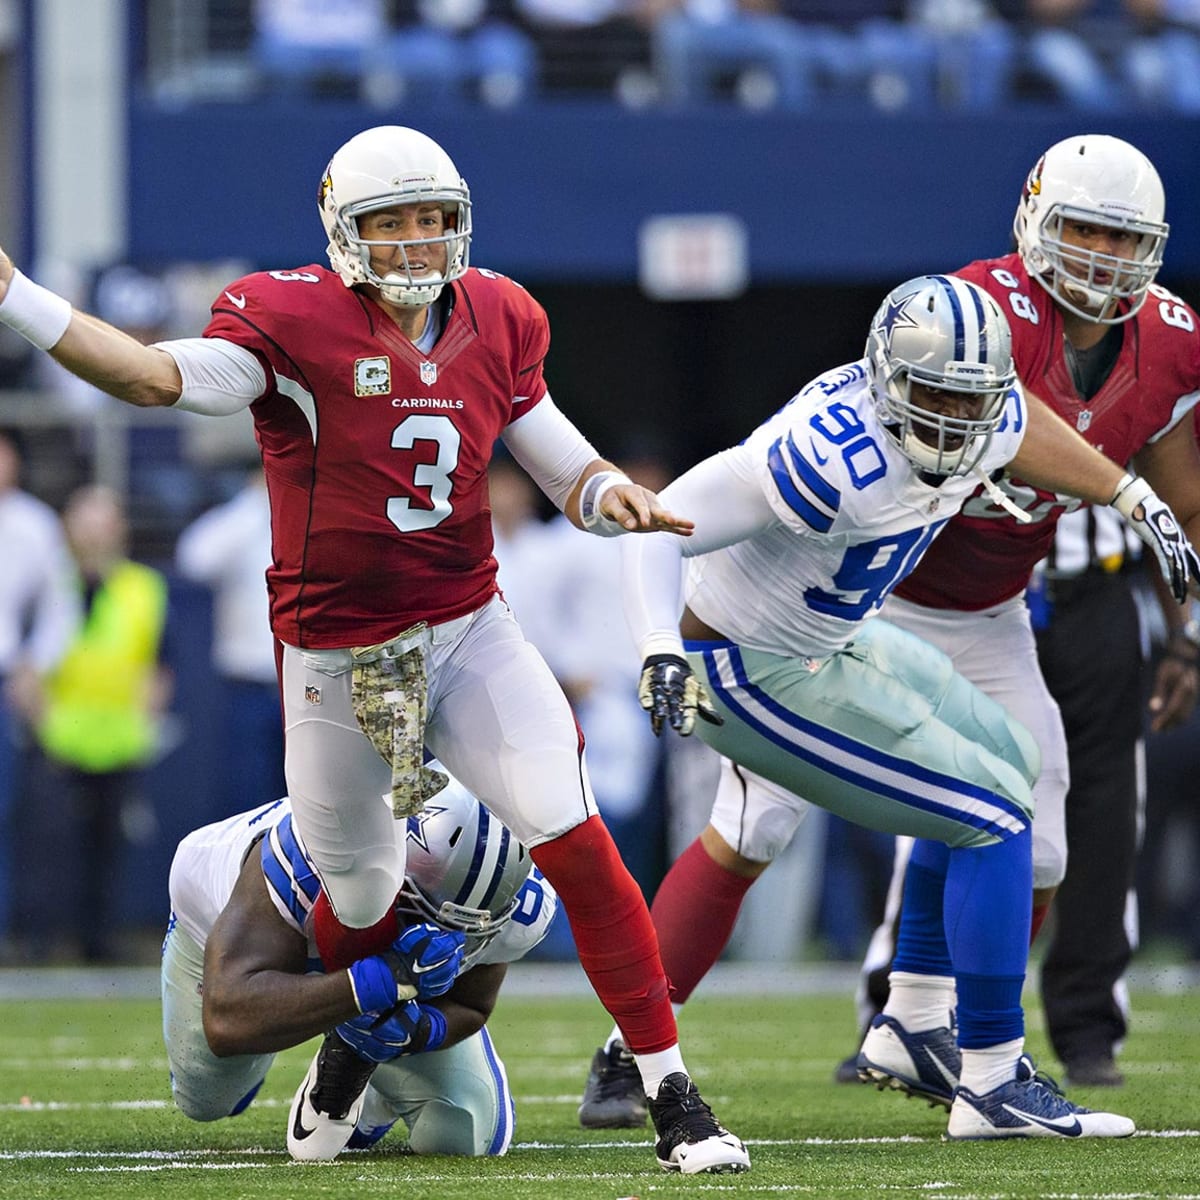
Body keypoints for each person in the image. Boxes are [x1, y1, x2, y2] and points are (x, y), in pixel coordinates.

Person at [0, 124, 747, 1174]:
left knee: (572, 831)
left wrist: (607, 492)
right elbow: (153, 379)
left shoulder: (500, 313)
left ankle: (673, 1095)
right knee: (359, 896)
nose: (414, 242)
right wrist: (15, 295)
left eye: (431, 218)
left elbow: (555, 454)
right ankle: (352, 1044)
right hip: (344, 657)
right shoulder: (291, 318)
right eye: (389, 223)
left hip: (466, 626)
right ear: (343, 230)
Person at [584, 270, 1199, 1140]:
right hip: (747, 664)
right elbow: (658, 520)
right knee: (992, 814)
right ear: (885, 377)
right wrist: (654, 646)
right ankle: (989, 1079)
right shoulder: (827, 456)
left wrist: (1130, 494)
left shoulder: (987, 414)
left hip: (828, 640)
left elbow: (1021, 426)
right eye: (933, 394)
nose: (954, 418)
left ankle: (913, 1016)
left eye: (970, 398)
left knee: (1016, 761)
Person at [844, 133, 1200, 1091]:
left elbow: (1190, 500)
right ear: (1037, 221)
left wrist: (1189, 633)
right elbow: (1008, 416)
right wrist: (1126, 495)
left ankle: (959, 1024)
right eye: (1083, 230)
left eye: (1125, 241)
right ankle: (645, 1051)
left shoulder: (1169, 337)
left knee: (1053, 830)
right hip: (884, 592)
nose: (1101, 258)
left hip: (1032, 596)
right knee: (779, 824)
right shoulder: (980, 308)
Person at [162, 765, 555, 1160]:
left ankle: (366, 1079)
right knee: (208, 1100)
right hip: (225, 929)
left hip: (376, 971)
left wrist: (418, 1031)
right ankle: (353, 1033)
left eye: (461, 929)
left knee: (464, 1134)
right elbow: (229, 1019)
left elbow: (471, 1004)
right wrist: (377, 980)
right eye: (422, 916)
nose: (439, 936)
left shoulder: (521, 906)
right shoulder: (310, 857)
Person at [15, 484, 171, 962]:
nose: (98, 531)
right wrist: (41, 725)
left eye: (107, 519)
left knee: (110, 847)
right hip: (57, 737)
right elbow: (22, 661)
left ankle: (99, 941)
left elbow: (158, 663)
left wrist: (146, 723)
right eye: (88, 519)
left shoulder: (143, 587)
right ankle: (41, 942)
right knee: (50, 845)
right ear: (68, 526)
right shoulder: (46, 582)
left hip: (119, 738)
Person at [0, 428, 79, 957]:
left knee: (6, 812)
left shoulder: (32, 524)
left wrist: (34, 665)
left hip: (3, 680)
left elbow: (59, 608)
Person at [175, 465, 287, 815]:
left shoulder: (316, 514)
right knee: (249, 798)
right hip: (248, 687)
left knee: (312, 804)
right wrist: (257, 500)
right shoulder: (244, 520)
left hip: (307, 685)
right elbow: (194, 558)